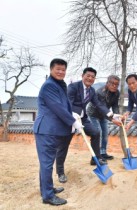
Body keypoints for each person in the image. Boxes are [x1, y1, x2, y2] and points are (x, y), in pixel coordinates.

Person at [56, 67, 120, 183]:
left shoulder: (91, 91)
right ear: (83, 76)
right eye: (88, 76)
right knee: (64, 145)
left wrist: (111, 115)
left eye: (92, 77)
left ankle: (96, 159)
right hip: (69, 118)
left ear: (95, 79)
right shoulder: (73, 87)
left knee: (96, 132)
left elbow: (99, 104)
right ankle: (60, 172)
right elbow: (67, 104)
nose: (90, 78)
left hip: (82, 118)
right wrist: (72, 117)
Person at [34, 58, 83, 205]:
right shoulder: (49, 86)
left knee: (47, 162)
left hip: (53, 130)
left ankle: (46, 189)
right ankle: (48, 196)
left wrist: (73, 114)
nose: (61, 72)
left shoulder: (59, 85)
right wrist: (73, 121)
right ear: (51, 69)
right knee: (47, 163)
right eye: (58, 69)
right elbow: (57, 107)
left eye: (63, 69)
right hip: (46, 130)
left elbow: (64, 105)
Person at [87, 75, 122, 160]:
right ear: (107, 83)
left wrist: (118, 117)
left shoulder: (116, 92)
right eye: (112, 83)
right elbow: (102, 108)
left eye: (116, 84)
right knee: (98, 133)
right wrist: (112, 119)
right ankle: (96, 156)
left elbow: (115, 105)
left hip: (104, 115)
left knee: (105, 134)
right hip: (93, 114)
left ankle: (103, 153)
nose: (114, 86)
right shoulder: (100, 92)